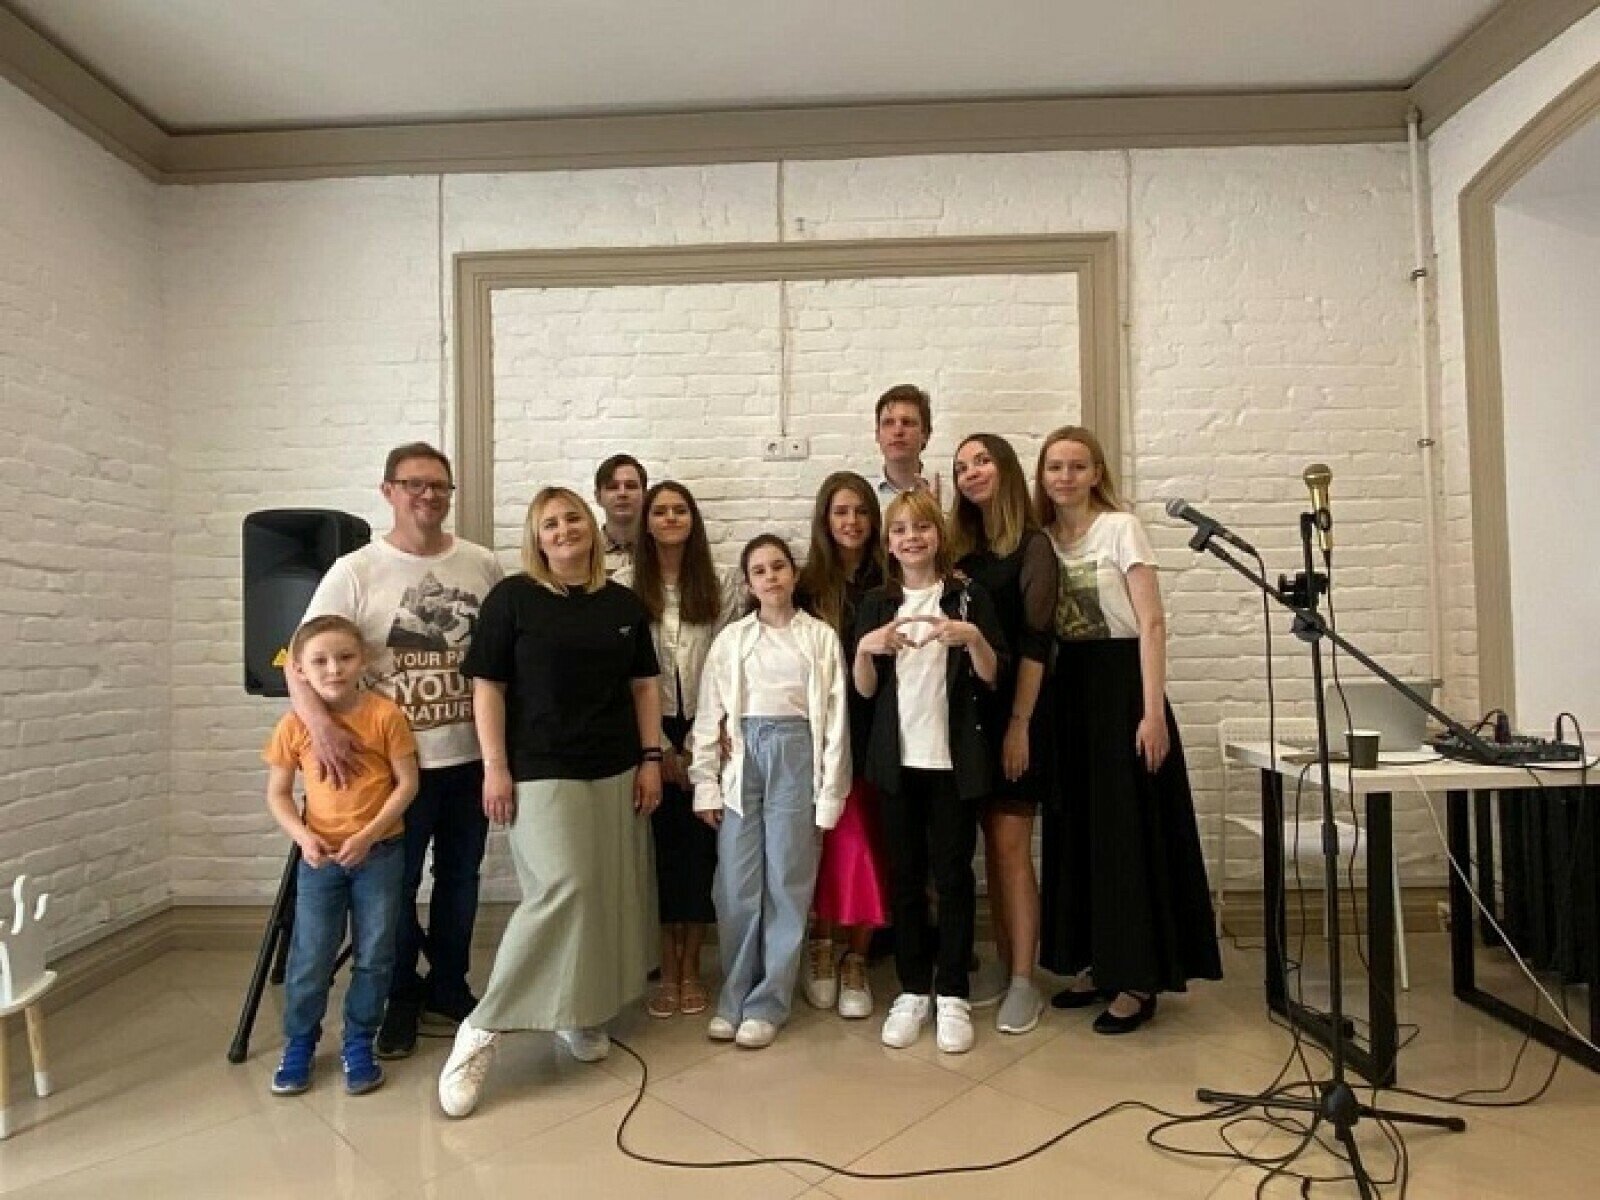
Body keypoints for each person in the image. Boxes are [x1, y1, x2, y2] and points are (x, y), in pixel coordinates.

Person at [437, 487, 662, 1117]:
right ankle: (483, 1027)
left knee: (604, 896)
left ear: (590, 527)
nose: (563, 530)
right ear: (536, 538)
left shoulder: (622, 604)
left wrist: (650, 759)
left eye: (571, 519)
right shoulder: (512, 599)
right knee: (564, 888)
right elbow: (488, 689)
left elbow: (644, 688)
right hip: (538, 767)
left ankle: (580, 1011)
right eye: (549, 524)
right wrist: (495, 768)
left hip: (615, 766)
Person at [297, 442, 503, 1059]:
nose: (428, 495)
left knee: (461, 878)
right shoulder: (355, 570)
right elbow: (297, 659)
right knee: (394, 889)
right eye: (414, 484)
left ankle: (449, 984)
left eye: (439, 485)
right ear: (388, 491)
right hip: (389, 769)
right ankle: (400, 994)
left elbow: (500, 661)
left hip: (467, 757)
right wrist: (320, 727)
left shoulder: (482, 564)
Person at [1033, 426, 1221, 1034]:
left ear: (1096, 473)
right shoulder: (1042, 539)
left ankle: (1137, 978)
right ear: (1042, 476)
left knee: (1124, 835)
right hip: (1068, 691)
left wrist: (1151, 711)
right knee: (1079, 831)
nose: (1065, 476)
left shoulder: (1121, 528)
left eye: (1077, 465)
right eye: (1055, 466)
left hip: (1121, 688)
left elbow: (1152, 622)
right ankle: (1096, 961)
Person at [854, 490, 1005, 1055]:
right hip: (897, 764)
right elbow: (864, 691)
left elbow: (992, 676)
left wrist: (976, 639)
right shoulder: (876, 603)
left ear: (938, 535)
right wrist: (865, 649)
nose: (911, 538)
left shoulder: (967, 596)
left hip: (952, 764)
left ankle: (954, 992)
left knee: (954, 876)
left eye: (921, 527)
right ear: (888, 544)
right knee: (905, 878)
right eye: (900, 530)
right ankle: (913, 988)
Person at [690, 535, 851, 1050]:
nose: (771, 577)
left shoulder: (819, 638)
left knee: (787, 878)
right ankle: (734, 995)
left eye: (778, 566)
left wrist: (830, 791)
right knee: (735, 883)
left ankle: (768, 1002)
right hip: (743, 756)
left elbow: (836, 720)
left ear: (794, 574)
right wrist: (705, 784)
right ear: (749, 583)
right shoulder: (732, 640)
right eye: (759, 571)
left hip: (796, 754)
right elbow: (709, 714)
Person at [263, 615, 419, 1097]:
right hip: (321, 859)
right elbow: (278, 793)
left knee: (375, 953)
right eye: (320, 661)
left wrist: (370, 835)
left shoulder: (385, 716)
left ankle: (359, 1042)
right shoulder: (293, 726)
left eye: (345, 657)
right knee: (310, 955)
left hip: (380, 854)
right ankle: (299, 1044)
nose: (334, 669)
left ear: (364, 660)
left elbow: (407, 783)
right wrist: (303, 838)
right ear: (300, 670)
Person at [950, 433, 1059, 1036]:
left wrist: (1019, 725)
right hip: (971, 717)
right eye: (961, 467)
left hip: (1020, 710)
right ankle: (1001, 958)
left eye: (982, 461)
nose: (971, 473)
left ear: (1006, 468)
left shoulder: (1032, 546)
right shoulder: (963, 551)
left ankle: (1023, 978)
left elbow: (1038, 644)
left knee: (1013, 849)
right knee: (989, 848)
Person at [620, 481, 740, 1019]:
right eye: (660, 511)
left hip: (708, 729)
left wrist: (697, 746)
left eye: (680, 510)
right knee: (660, 856)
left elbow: (729, 664)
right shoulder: (624, 586)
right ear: (646, 522)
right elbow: (626, 674)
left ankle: (692, 967)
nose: (670, 518)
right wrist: (661, 748)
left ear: (693, 520)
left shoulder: (721, 585)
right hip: (647, 733)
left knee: (699, 854)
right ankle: (665, 969)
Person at [795, 472, 891, 1020]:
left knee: (867, 845)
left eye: (860, 511)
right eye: (840, 512)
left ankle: (857, 955)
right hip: (820, 735)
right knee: (825, 843)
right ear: (824, 520)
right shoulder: (806, 587)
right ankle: (821, 945)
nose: (851, 521)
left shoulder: (892, 580)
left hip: (881, 731)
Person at [874, 383, 943, 504]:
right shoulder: (862, 499)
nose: (897, 431)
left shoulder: (950, 497)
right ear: (877, 435)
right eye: (888, 423)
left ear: (925, 434)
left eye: (907, 422)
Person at [594, 453, 648, 577]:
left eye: (631, 486)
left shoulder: (661, 549)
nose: (622, 493)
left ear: (645, 495)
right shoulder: (585, 551)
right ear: (598, 497)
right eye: (612, 487)